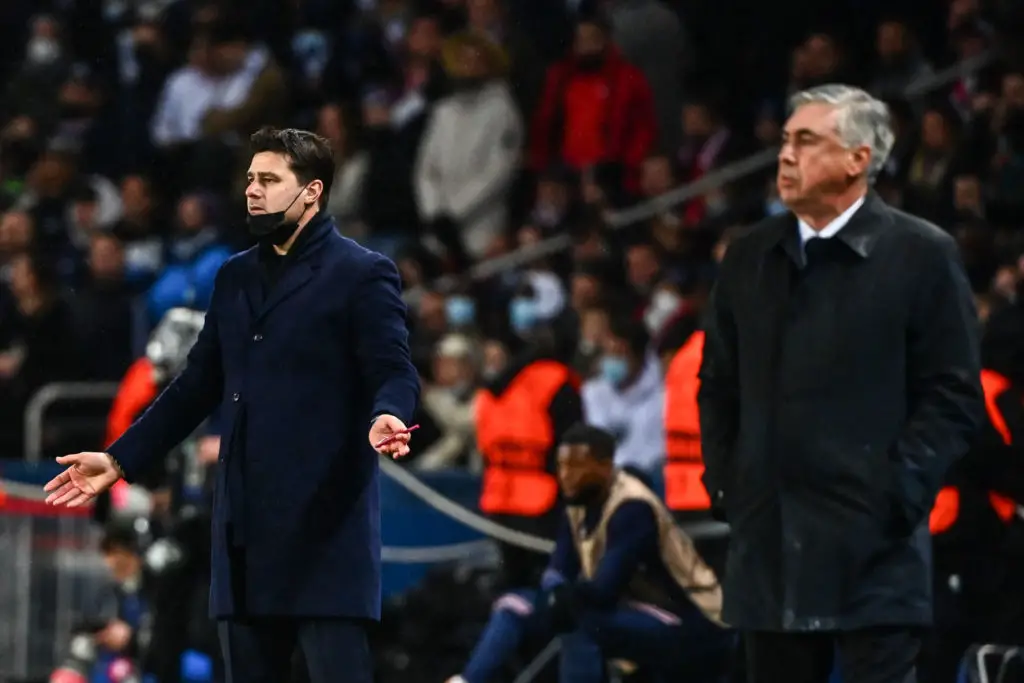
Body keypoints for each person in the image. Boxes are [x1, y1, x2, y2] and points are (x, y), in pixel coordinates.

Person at [43, 127, 420, 683]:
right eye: (250, 179)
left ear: (312, 191)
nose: (253, 190)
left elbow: (393, 367)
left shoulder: (361, 272)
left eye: (269, 179)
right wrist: (119, 458)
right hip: (243, 533)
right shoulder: (235, 275)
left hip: (324, 529)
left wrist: (388, 412)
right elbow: (196, 385)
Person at [697, 84, 984, 683]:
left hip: (874, 553)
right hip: (768, 546)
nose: (785, 155)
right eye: (785, 140)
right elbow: (718, 385)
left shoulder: (922, 254)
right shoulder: (748, 257)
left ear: (858, 159)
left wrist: (896, 494)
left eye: (807, 141)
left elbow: (953, 396)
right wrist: (730, 484)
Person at [447, 423, 733, 683]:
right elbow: (560, 567)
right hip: (625, 609)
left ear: (605, 467)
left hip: (686, 621)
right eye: (562, 465)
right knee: (514, 605)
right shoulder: (580, 503)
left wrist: (558, 598)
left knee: (579, 620)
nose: (566, 475)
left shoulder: (633, 508)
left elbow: (605, 589)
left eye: (576, 466)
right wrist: (554, 593)